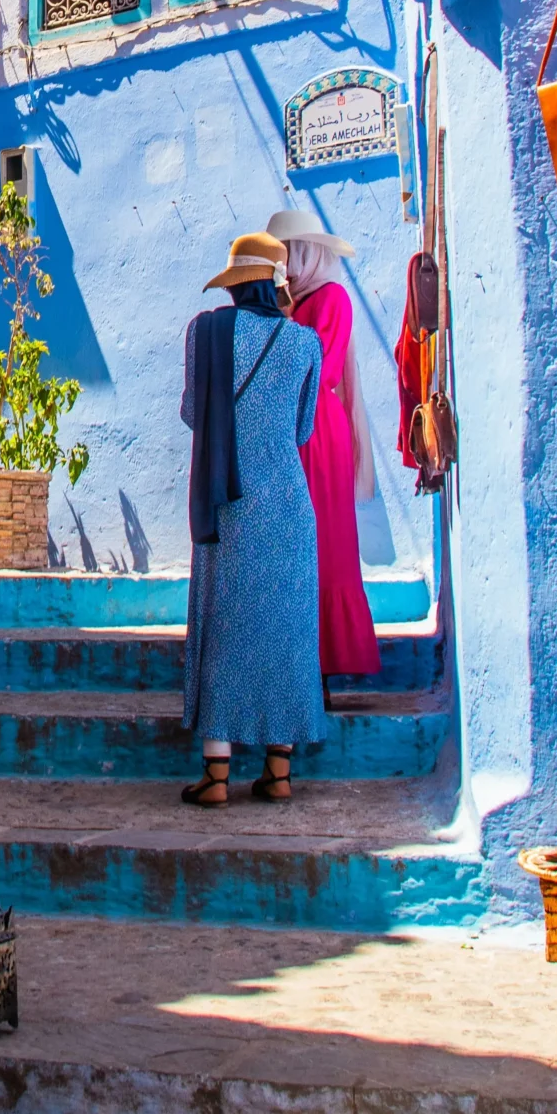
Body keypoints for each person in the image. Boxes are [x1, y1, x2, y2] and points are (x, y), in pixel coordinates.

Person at [179, 230, 323, 806]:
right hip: (289, 506)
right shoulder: (305, 344)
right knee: (285, 632)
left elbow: (194, 414)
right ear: (277, 284)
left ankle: (217, 776)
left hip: (228, 501)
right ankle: (279, 773)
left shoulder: (205, 332)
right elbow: (304, 429)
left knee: (223, 627)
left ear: (236, 285)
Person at [268, 208, 382, 693]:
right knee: (299, 542)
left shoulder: (331, 298)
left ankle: (324, 662)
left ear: (304, 253)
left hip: (318, 431)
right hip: (294, 430)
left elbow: (324, 370)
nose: (282, 265)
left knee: (324, 541)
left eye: (286, 254)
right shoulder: (295, 304)